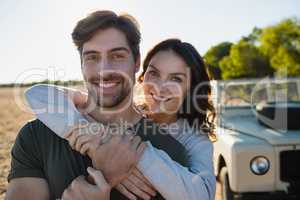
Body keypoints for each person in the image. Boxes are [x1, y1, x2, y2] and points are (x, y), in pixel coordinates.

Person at [6, 10, 191, 200]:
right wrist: (104, 175)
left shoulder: (170, 153)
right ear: (81, 65)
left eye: (117, 56)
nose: (104, 70)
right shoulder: (37, 135)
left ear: (136, 63)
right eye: (92, 57)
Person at [25, 38, 217, 200]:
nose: (159, 86)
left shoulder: (195, 139)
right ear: (142, 75)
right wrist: (99, 142)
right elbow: (37, 95)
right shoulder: (126, 113)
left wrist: (132, 156)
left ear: (190, 88)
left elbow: (202, 195)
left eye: (176, 79)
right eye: (154, 73)